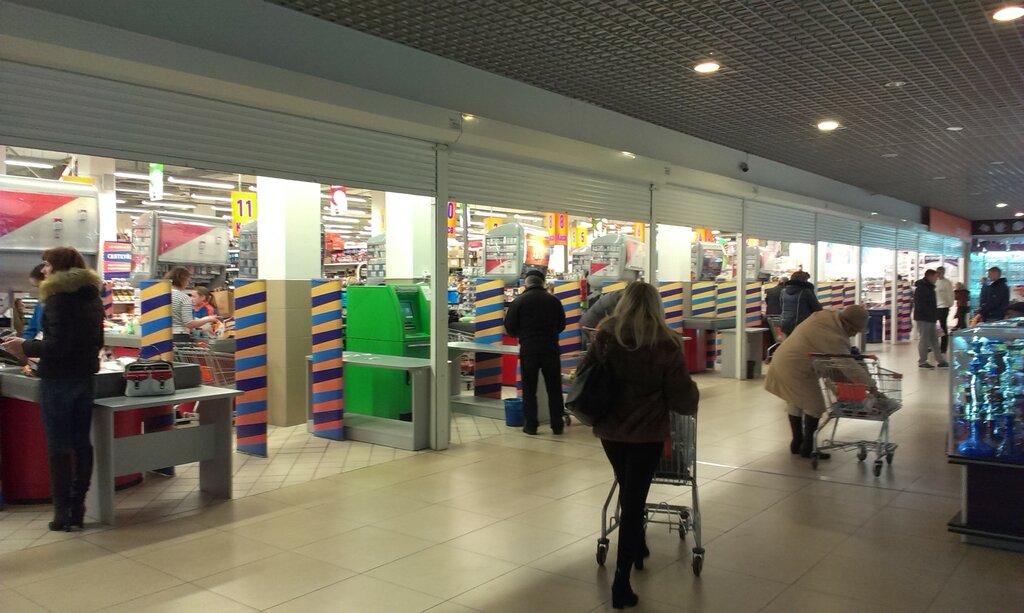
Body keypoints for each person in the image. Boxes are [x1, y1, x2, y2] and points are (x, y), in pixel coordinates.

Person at [584, 281, 698, 609]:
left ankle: (639, 545)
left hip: (611, 430)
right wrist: (692, 398)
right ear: (656, 305)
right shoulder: (666, 341)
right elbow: (681, 396)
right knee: (634, 500)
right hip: (647, 432)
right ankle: (622, 581)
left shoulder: (607, 334)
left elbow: (586, 372)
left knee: (627, 488)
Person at [1, 248, 104, 531]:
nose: (43, 269)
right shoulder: (92, 297)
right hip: (85, 378)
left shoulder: (57, 299)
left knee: (58, 447)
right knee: (82, 443)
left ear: (58, 267)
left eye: (47, 264)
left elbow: (56, 346)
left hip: (58, 381)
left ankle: (61, 512)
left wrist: (23, 346)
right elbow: (97, 342)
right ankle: (78, 506)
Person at [765, 305, 871, 458]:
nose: (853, 334)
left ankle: (797, 443)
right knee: (815, 406)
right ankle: (808, 447)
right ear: (847, 325)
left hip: (783, 359)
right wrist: (871, 387)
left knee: (796, 402)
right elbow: (849, 366)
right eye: (854, 330)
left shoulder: (824, 317)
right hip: (796, 367)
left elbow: (830, 364)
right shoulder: (833, 336)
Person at [504, 270, 567, 435]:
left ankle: (531, 425)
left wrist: (523, 334)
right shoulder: (554, 301)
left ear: (527, 284)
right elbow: (562, 325)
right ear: (543, 283)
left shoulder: (518, 302)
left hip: (529, 349)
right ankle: (557, 424)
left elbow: (509, 328)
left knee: (529, 389)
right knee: (554, 388)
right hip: (551, 348)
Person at [913, 269, 946, 369]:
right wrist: (930, 314)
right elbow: (921, 305)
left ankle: (940, 360)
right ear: (929, 276)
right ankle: (922, 361)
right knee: (924, 339)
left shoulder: (930, 288)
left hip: (931, 318)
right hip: (924, 318)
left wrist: (934, 315)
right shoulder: (922, 288)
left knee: (934, 339)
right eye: (935, 277)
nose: (936, 279)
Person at [779, 271, 822, 336]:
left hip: (785, 324)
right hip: (800, 324)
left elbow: (781, 306)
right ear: (804, 280)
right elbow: (817, 308)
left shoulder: (783, 291)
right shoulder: (805, 291)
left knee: (790, 343)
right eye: (807, 280)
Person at [22, 263, 47, 340]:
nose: (39, 290)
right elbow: (31, 329)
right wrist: (23, 345)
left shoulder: (66, 303)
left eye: (39, 286)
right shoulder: (40, 304)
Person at [934, 267, 954, 353]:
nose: (938, 274)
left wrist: (949, 304)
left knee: (943, 326)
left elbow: (950, 295)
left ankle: (943, 347)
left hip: (943, 307)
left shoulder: (947, 283)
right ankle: (933, 345)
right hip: (935, 307)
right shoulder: (935, 282)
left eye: (940, 272)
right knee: (932, 327)